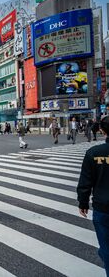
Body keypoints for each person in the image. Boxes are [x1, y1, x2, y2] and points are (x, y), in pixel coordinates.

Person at [77, 115, 109, 276]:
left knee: (106, 249)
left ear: (102, 131)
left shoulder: (94, 153)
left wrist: (83, 202)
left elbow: (85, 182)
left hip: (103, 208)